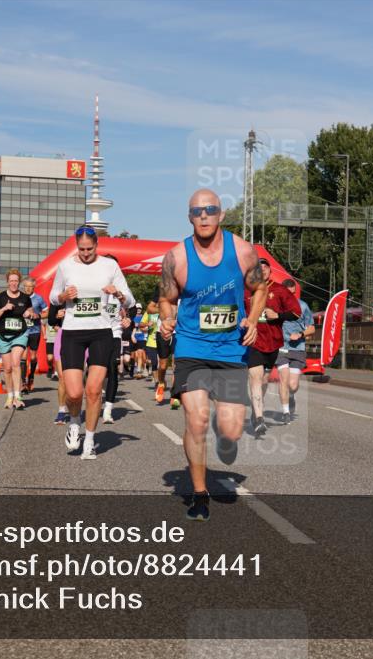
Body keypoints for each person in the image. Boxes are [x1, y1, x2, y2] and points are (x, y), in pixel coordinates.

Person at [159, 189, 267, 521]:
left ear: (221, 215)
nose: (203, 216)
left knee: (231, 429)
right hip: (191, 348)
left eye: (210, 210)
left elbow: (260, 288)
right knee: (197, 418)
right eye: (197, 211)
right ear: (189, 217)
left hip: (231, 350)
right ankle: (200, 493)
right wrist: (166, 318)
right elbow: (166, 297)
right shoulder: (175, 257)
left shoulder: (243, 251)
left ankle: (227, 439)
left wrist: (253, 317)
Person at [50, 226, 134, 460]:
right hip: (73, 332)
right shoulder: (66, 265)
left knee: (94, 390)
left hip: (101, 332)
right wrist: (64, 297)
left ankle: (90, 440)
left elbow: (129, 298)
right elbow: (53, 296)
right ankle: (74, 422)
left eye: (90, 248)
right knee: (75, 393)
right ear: (77, 246)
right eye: (82, 249)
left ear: (97, 245)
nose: (86, 253)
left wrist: (116, 292)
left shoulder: (110, 265)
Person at [245, 258, 300, 435]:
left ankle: (256, 409)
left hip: (272, 342)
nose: (263, 270)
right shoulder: (245, 290)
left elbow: (296, 313)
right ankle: (260, 419)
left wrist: (277, 315)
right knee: (255, 377)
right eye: (258, 268)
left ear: (270, 271)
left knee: (263, 380)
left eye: (265, 267)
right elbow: (235, 308)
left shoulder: (279, 290)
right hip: (252, 340)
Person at [0, 269, 38, 409]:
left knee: (16, 363)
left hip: (20, 334)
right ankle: (9, 396)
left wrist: (29, 314)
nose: (13, 283)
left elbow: (32, 313)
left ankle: (18, 396)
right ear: (7, 282)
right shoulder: (0, 297)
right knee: (8, 368)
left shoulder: (24, 297)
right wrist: (4, 308)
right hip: (3, 335)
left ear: (19, 282)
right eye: (11, 281)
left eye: (16, 281)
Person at [277, 279, 315, 421]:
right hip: (281, 348)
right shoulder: (277, 306)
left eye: (292, 293)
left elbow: (311, 328)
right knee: (283, 380)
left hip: (297, 348)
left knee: (292, 385)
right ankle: (286, 412)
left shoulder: (303, 306)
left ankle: (291, 396)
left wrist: (300, 334)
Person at [102, 254, 126, 425]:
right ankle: (97, 393)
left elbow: (130, 307)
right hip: (96, 333)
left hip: (115, 333)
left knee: (112, 369)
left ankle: (108, 409)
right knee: (95, 370)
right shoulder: (95, 285)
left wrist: (128, 318)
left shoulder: (122, 289)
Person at [21, 277, 49, 393]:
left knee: (32, 357)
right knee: (23, 356)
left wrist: (38, 316)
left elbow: (47, 312)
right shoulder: (20, 298)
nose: (27, 288)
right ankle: (22, 383)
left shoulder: (38, 299)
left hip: (35, 331)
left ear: (34, 287)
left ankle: (31, 376)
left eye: (30, 286)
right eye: (26, 286)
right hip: (22, 331)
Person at [152, 287, 178, 409]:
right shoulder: (161, 290)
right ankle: (161, 383)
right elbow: (150, 308)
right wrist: (162, 309)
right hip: (162, 331)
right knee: (162, 365)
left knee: (176, 364)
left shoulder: (185, 288)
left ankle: (174, 393)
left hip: (179, 332)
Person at [48, 303, 68, 424]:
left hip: (82, 336)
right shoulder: (57, 299)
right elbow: (51, 320)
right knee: (62, 377)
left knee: (78, 378)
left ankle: (74, 408)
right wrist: (57, 316)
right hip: (62, 336)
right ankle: (61, 411)